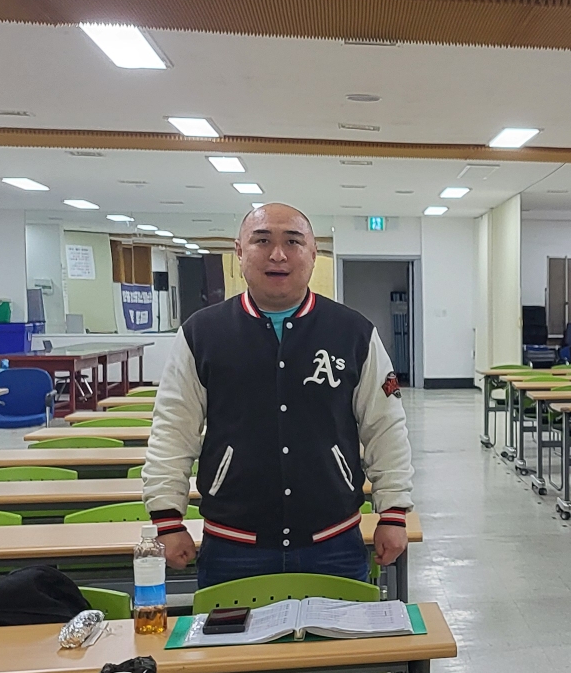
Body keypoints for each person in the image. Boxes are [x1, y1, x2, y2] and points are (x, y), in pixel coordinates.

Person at [143, 202, 414, 588]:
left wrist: (393, 512)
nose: (278, 255)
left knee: (339, 632)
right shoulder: (202, 334)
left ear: (313, 254)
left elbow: (386, 428)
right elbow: (172, 430)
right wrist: (168, 519)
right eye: (262, 241)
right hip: (233, 546)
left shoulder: (354, 333)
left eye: (292, 242)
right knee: (231, 633)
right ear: (239, 252)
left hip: (334, 543)